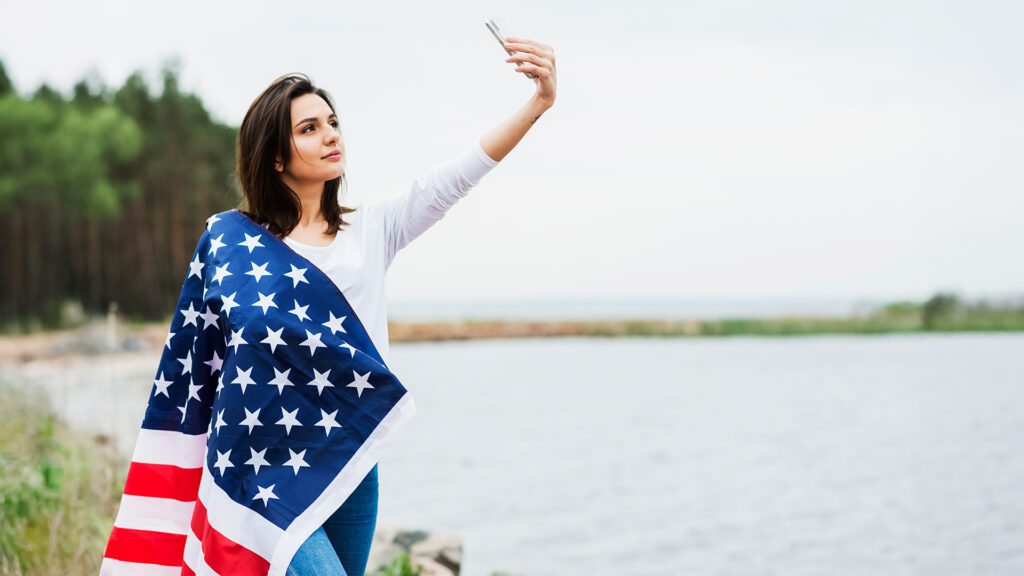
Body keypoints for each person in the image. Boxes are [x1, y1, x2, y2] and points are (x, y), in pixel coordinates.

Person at [237, 38, 557, 576]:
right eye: (309, 128)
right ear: (275, 155)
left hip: (353, 461)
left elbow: (457, 176)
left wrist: (538, 104)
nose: (331, 135)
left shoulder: (371, 230)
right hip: (275, 468)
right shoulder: (242, 247)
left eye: (332, 122)